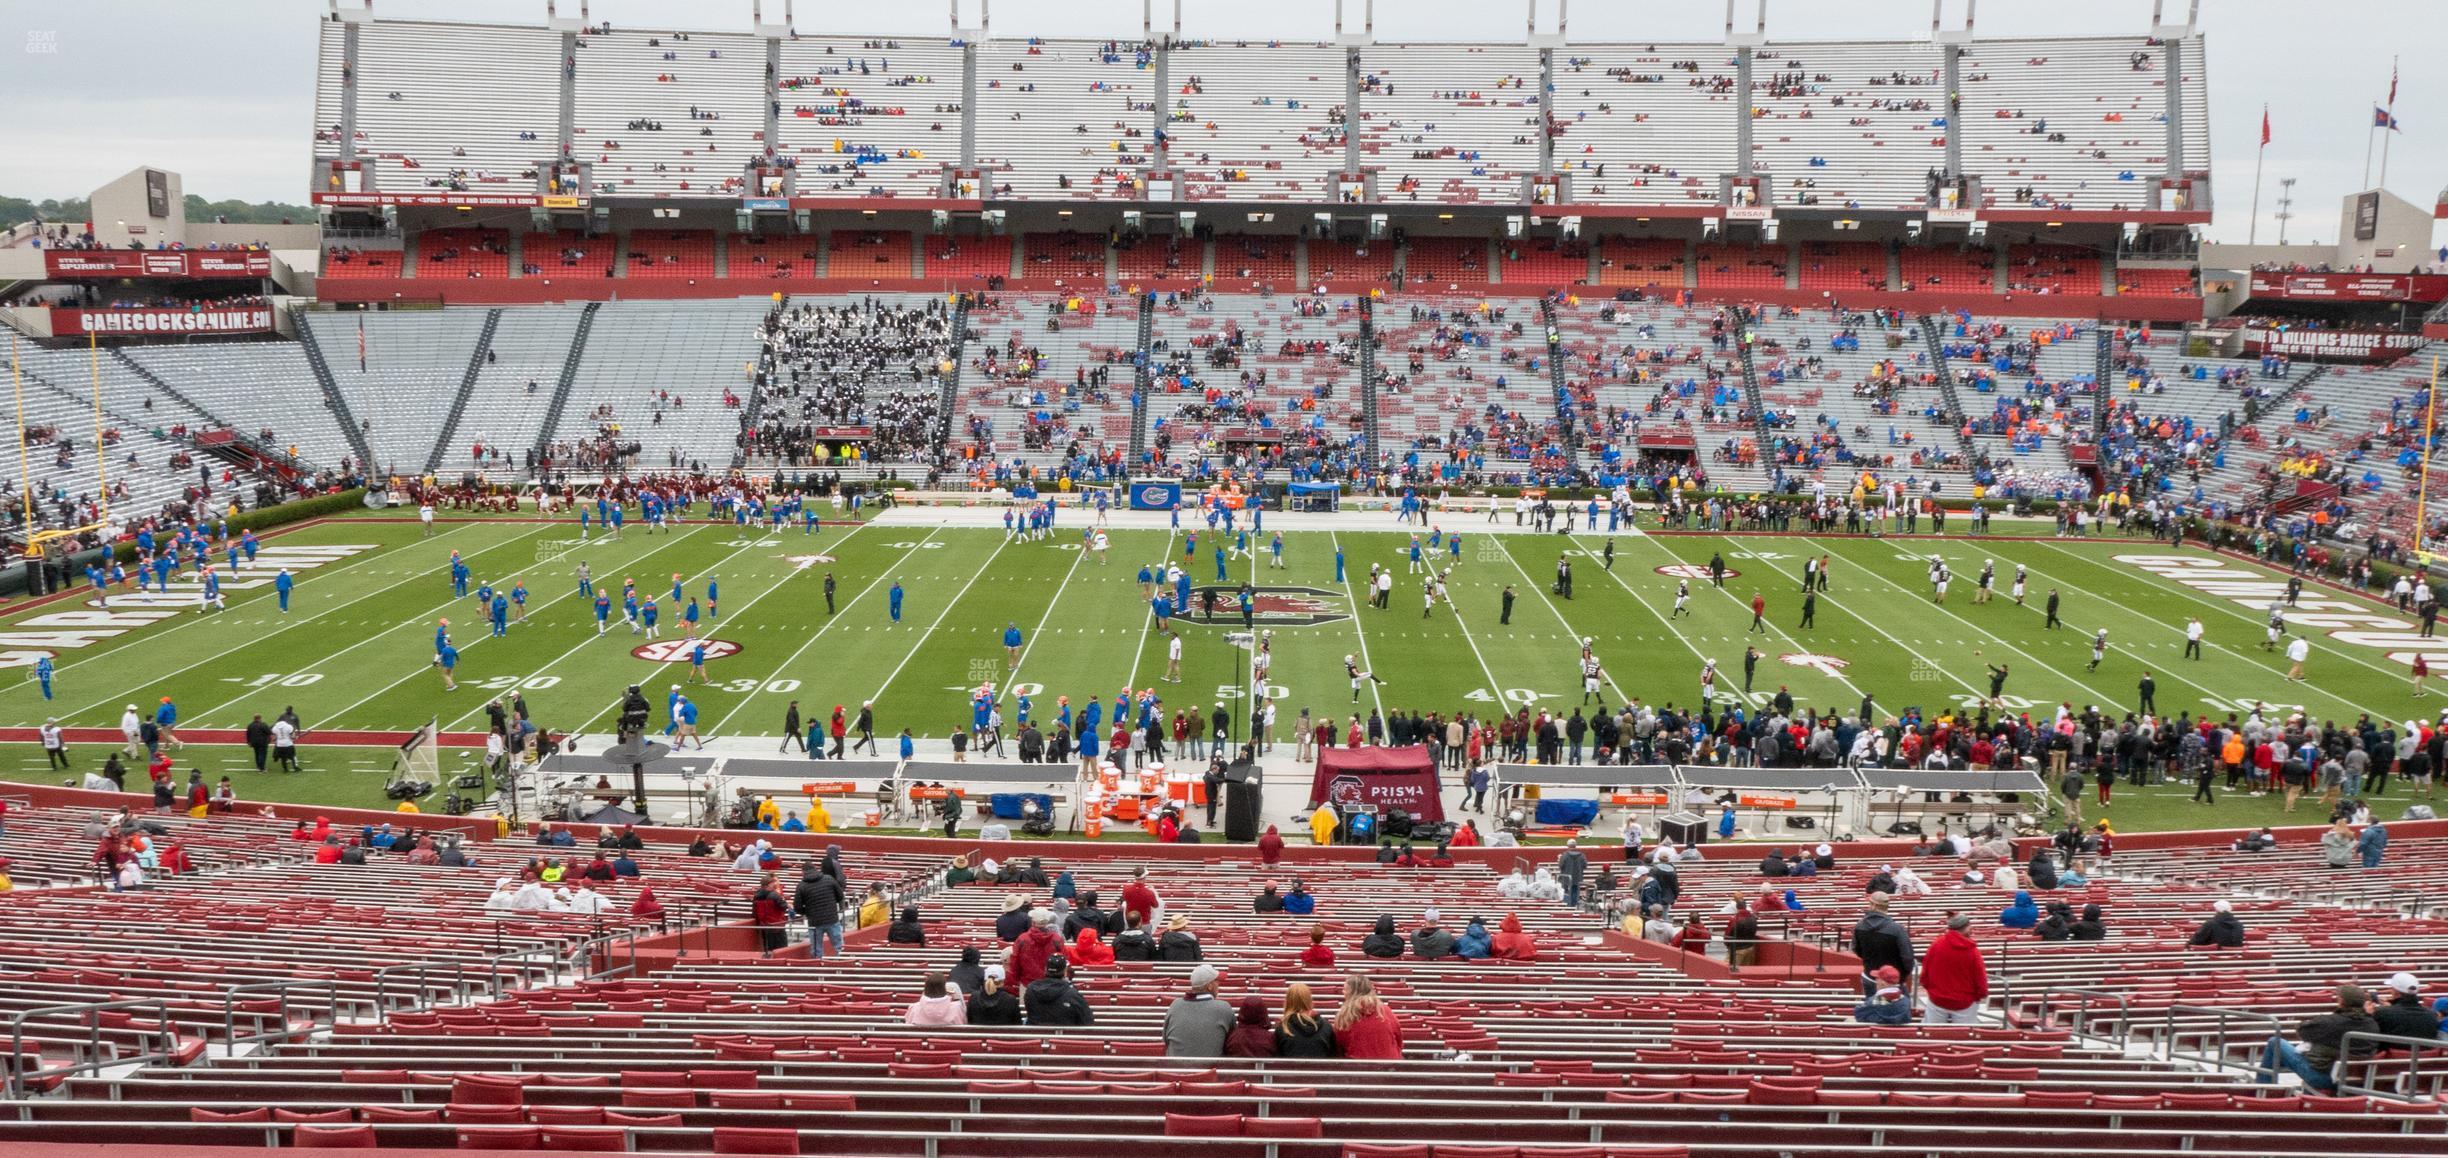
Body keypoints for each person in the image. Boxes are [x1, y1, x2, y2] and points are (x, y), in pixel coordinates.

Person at [2259, 986, 2378, 1093]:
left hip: (2324, 1078)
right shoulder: (2372, 1024)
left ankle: (2263, 1090)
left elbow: (2303, 1031)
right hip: (2358, 1080)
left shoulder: (2331, 1022)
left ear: (2341, 1001)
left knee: (2274, 1042)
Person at [1920, 915, 1989, 1024]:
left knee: (1932, 1034)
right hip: (1964, 1001)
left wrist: (1928, 987)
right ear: (1965, 927)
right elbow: (1980, 976)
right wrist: (1980, 994)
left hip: (1938, 998)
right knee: (1963, 1036)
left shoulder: (1936, 945)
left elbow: (1925, 971)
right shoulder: (1972, 951)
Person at [1163, 964, 1237, 1056]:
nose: (1219, 985)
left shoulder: (1175, 1005)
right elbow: (1232, 1043)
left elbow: (1166, 1039)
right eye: (1216, 981)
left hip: (1176, 1068)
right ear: (1210, 986)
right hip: (1211, 1069)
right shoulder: (1224, 1007)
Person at [1851, 894, 1915, 997]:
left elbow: (1856, 949)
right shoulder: (1897, 929)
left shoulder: (1859, 926)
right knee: (1897, 1010)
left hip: (1869, 975)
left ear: (1872, 905)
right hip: (1892, 980)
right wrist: (1901, 976)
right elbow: (1907, 957)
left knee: (1872, 1009)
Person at [1333, 974, 1403, 1059]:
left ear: (1350, 992)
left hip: (1358, 1067)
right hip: (1390, 1066)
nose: (1342, 992)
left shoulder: (1344, 1016)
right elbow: (1399, 1038)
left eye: (1344, 989)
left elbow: (1339, 1046)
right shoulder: (1385, 1010)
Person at [1024, 957, 1094, 1027]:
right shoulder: (1073, 994)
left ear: (1045, 969)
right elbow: (1087, 1021)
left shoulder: (1030, 990)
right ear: (1065, 972)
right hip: (1064, 1037)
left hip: (1035, 1036)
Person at [1275, 982, 1338, 1057]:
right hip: (1321, 1068)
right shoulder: (1327, 1027)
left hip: (1292, 1068)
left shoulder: (1282, 1028)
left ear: (1288, 1001)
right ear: (1309, 1000)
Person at [1008, 908, 1065, 989]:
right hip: (1052, 985)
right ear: (1047, 922)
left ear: (1033, 922)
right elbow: (1064, 960)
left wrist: (1016, 979)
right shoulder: (1056, 939)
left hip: (1027, 984)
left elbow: (1014, 961)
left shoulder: (1022, 939)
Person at [750, 873, 790, 954]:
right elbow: (784, 906)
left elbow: (754, 912)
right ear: (768, 884)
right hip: (777, 925)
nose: (774, 884)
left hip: (764, 925)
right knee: (781, 948)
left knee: (768, 949)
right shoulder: (774, 895)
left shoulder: (756, 895)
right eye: (772, 883)